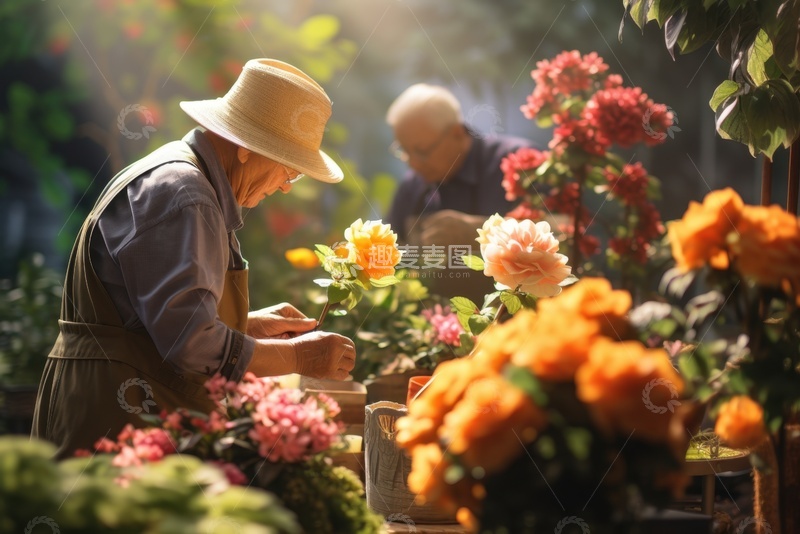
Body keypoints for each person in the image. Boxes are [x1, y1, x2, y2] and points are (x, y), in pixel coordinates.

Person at [32, 59, 356, 458]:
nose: (286, 187)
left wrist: (249, 327)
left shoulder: (184, 176)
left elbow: (154, 323)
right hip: (111, 414)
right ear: (245, 148)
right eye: (288, 169)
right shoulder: (187, 195)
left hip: (110, 399)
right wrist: (300, 356)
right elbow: (191, 345)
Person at [385, 83, 532, 301]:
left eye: (421, 151)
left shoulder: (518, 163)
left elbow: (563, 239)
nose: (413, 164)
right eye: (404, 151)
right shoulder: (412, 187)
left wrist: (480, 234)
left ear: (456, 133)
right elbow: (389, 257)